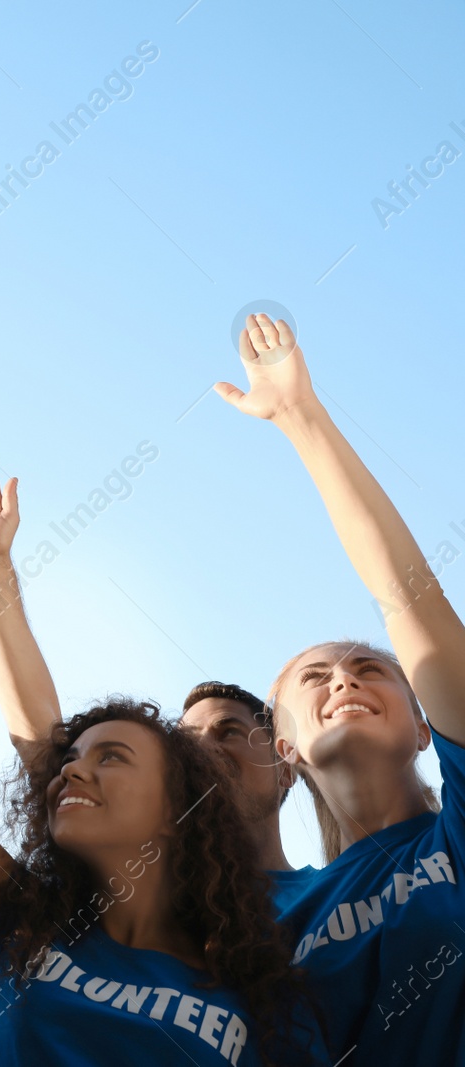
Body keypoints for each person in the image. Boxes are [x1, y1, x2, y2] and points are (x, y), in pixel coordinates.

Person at [0, 430, 325, 1066]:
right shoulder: (23, 924)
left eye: (112, 758)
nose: (71, 771)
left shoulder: (261, 989)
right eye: (71, 760)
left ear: (174, 803)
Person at [217, 313, 461, 1064]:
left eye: (370, 667)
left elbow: (404, 594)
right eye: (314, 678)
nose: (345, 678)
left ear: (427, 725)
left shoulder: (455, 832)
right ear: (284, 747)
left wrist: (301, 416)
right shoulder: (269, 914)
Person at [0, 445, 296, 872]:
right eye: (187, 743)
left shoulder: (334, 899)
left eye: (228, 732)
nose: (204, 749)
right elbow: (42, 743)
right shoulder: (140, 900)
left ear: (285, 769)